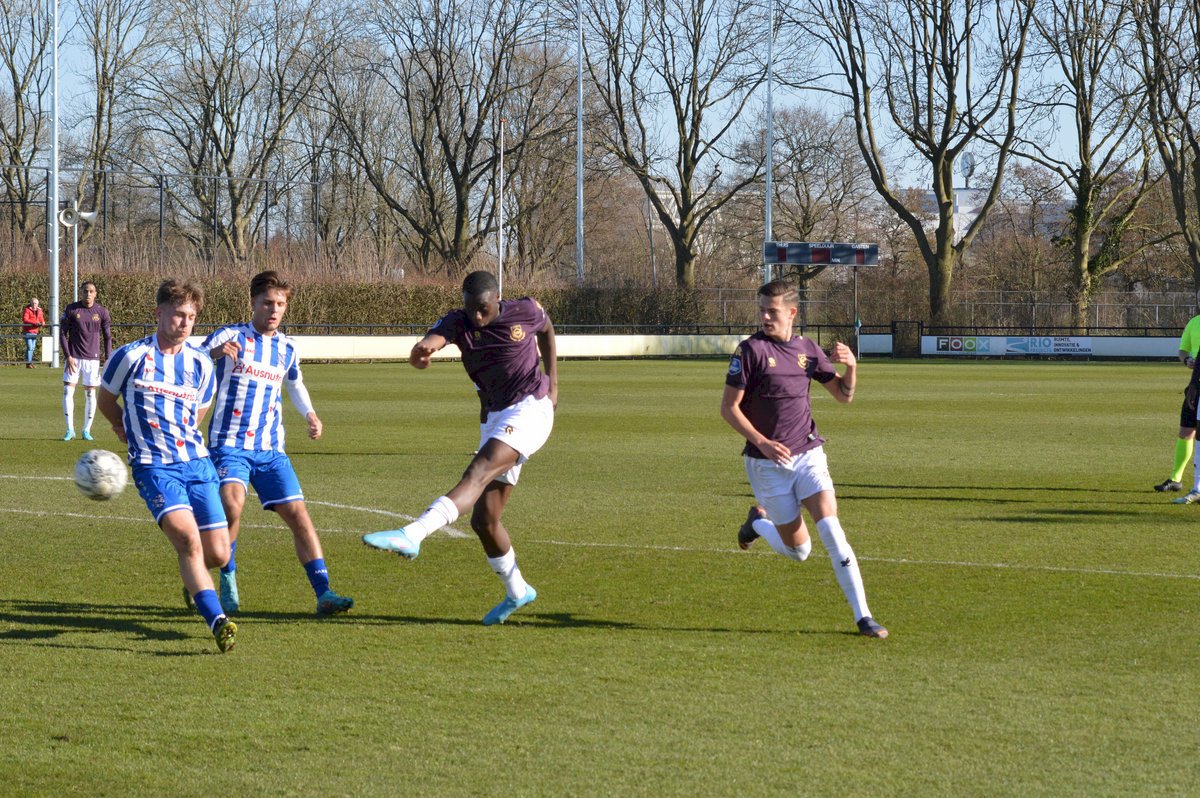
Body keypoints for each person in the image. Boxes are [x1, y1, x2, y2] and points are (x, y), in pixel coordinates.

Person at [363, 270, 557, 625]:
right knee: (484, 520)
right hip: (494, 416)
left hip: (531, 408)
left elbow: (546, 328)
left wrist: (554, 383)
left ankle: (413, 534)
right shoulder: (458, 321)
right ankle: (518, 591)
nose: (477, 317)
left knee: (477, 472)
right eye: (471, 309)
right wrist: (422, 353)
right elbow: (431, 342)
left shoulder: (525, 310)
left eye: (483, 309)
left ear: (497, 299)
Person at [720, 279, 888, 639]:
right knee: (800, 552)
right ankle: (757, 524)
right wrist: (763, 442)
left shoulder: (808, 350)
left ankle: (864, 617)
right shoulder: (749, 351)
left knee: (832, 529)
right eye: (762, 310)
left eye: (772, 311)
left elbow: (843, 396)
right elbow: (729, 408)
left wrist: (852, 367)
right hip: (767, 464)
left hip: (808, 453)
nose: (765, 317)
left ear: (792, 312)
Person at [97, 278, 237, 653]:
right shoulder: (130, 357)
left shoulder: (200, 363)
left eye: (191, 316)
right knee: (188, 540)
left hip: (197, 464)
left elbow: (199, 412)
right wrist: (122, 427)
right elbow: (106, 399)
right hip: (154, 467)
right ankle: (218, 621)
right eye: (178, 314)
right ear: (159, 313)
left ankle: (194, 580)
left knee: (219, 554)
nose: (185, 322)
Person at [202, 271, 354, 617]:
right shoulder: (230, 335)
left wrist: (310, 414)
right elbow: (189, 359)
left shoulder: (287, 347)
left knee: (299, 514)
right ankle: (227, 576)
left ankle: (324, 593)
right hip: (229, 445)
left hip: (271, 449)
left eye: (280, 304)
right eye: (268, 303)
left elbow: (295, 383)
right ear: (253, 303)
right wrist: (213, 353)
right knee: (232, 506)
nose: (274, 310)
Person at [1155, 294, 1200, 492]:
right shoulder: (1194, 323)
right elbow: (1183, 350)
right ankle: (1176, 479)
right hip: (1195, 386)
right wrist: (1187, 360)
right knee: (1185, 432)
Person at [59, 281, 112, 441]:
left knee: (90, 394)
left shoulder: (102, 312)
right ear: (81, 292)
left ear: (95, 294)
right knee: (68, 391)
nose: (88, 294)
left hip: (92, 360)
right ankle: (70, 430)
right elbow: (62, 334)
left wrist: (108, 358)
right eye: (85, 291)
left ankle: (86, 430)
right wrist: (68, 356)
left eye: (91, 291)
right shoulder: (71, 309)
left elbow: (107, 337)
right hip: (73, 358)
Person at [21, 296, 45, 368]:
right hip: (27, 331)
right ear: (30, 303)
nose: (34, 304)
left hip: (35, 331)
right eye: (33, 303)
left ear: (38, 304)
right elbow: (25, 319)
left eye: (35, 303)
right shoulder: (27, 310)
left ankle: (29, 362)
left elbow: (41, 318)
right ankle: (28, 363)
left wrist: (43, 322)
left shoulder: (39, 311)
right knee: (30, 347)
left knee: (32, 347)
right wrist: (35, 322)